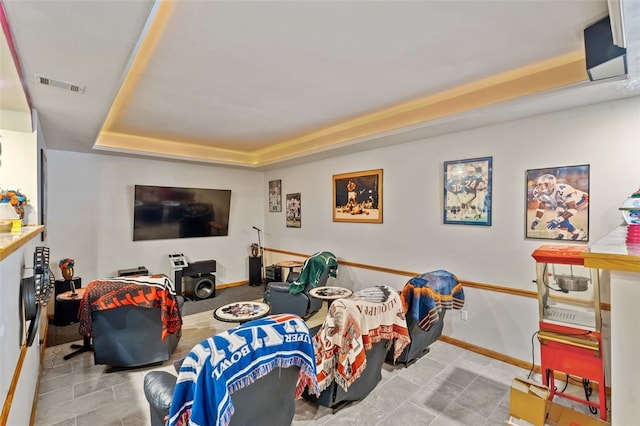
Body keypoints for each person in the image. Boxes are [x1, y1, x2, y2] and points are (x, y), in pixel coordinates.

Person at [530, 173, 588, 240]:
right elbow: (541, 206)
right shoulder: (537, 192)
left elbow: (573, 209)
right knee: (559, 216)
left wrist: (557, 221)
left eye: (545, 184)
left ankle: (564, 235)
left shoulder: (563, 190)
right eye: (540, 184)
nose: (542, 187)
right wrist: (537, 219)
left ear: (552, 184)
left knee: (560, 215)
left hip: (582, 199)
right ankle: (578, 233)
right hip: (564, 203)